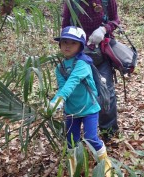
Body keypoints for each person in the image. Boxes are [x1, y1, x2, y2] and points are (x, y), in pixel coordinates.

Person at [61, 0, 119, 141]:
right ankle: (77, 132)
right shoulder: (71, 0)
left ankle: (108, 131)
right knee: (79, 91)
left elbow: (115, 20)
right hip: (79, 56)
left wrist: (104, 29)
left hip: (102, 52)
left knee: (105, 90)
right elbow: (64, 28)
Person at [48, 26, 115, 177]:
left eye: (72, 43)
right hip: (71, 110)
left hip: (89, 108)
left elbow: (72, 82)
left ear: (80, 46)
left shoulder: (83, 64)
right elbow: (63, 87)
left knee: (91, 138)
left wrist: (56, 101)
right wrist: (58, 102)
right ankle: (75, 167)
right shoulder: (60, 68)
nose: (67, 46)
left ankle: (106, 166)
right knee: (71, 141)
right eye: (64, 42)